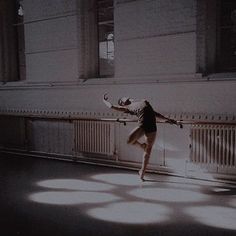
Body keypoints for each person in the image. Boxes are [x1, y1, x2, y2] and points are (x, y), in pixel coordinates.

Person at [103, 93, 181, 181]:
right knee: (129, 140)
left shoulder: (142, 101)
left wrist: (170, 120)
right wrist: (105, 101)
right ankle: (142, 146)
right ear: (123, 104)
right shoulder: (128, 108)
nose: (125, 99)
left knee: (148, 151)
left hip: (152, 127)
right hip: (143, 125)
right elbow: (112, 106)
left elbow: (156, 114)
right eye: (121, 101)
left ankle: (142, 173)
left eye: (123, 98)